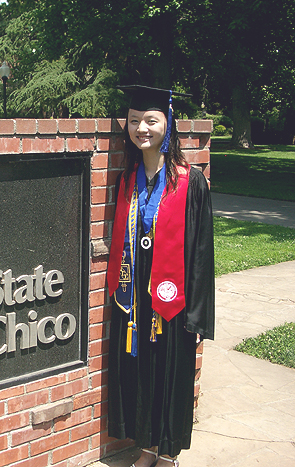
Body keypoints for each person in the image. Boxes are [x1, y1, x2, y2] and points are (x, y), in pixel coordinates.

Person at [106, 85, 215, 467]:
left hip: (174, 291)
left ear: (167, 124)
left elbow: (202, 251)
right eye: (134, 122)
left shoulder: (190, 181)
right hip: (136, 291)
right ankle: (147, 447)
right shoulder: (129, 178)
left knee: (170, 370)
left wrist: (198, 312)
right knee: (142, 369)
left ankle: (167, 453)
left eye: (151, 121)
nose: (142, 129)